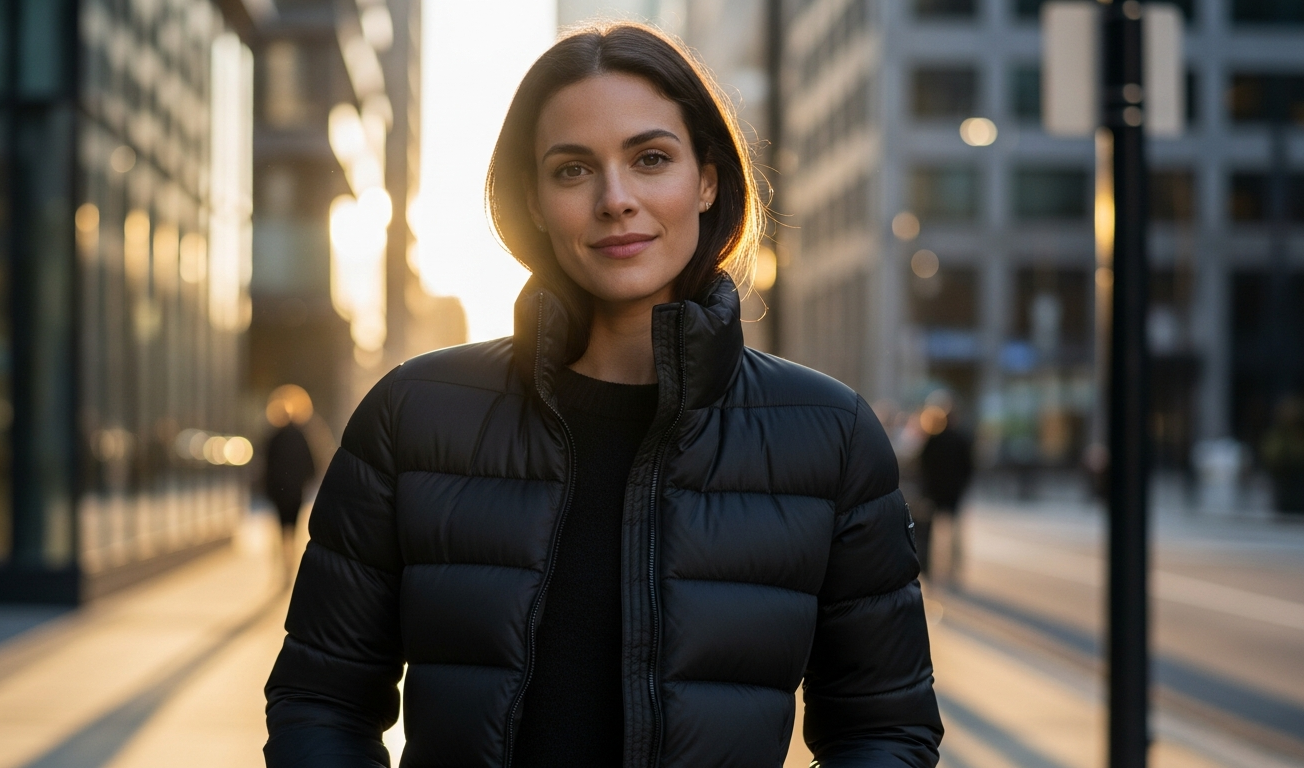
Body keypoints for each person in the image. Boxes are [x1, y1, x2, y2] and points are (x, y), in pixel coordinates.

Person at [264, 23, 942, 768]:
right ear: (532, 196)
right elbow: (321, 701)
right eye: (573, 169)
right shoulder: (412, 416)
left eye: (651, 159)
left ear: (707, 180)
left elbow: (884, 729)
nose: (616, 200)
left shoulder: (830, 436)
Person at [916, 393, 974, 584]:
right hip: (953, 492)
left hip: (935, 492)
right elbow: (969, 467)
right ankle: (952, 570)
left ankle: (931, 568)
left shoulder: (934, 439)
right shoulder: (960, 439)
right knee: (953, 533)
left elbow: (922, 466)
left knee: (931, 533)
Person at [263, 385, 316, 577]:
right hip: (295, 491)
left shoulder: (272, 437)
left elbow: (266, 466)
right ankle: (290, 558)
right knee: (293, 526)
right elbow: (311, 464)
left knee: (280, 525)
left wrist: (268, 487)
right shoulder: (302, 436)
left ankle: (284, 560)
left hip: (279, 491)